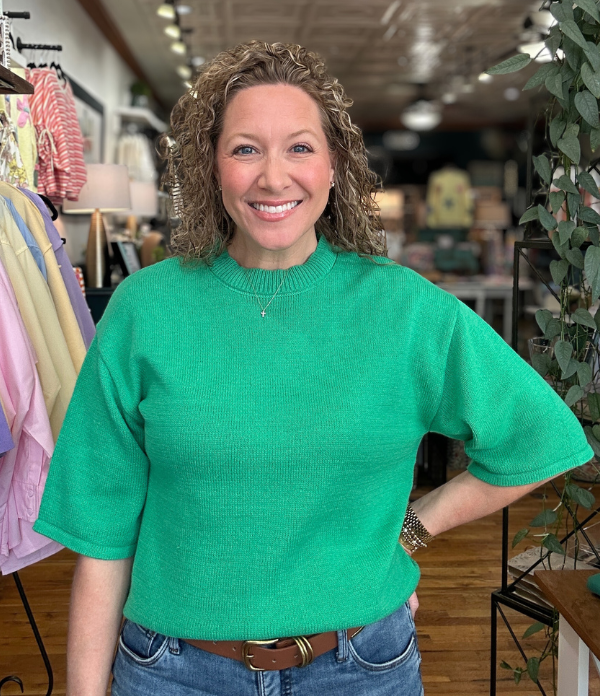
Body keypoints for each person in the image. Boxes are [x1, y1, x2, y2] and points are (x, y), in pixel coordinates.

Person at [34, 40, 594, 696]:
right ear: (211, 167)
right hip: (173, 673)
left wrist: (415, 525)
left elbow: (540, 439)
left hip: (362, 669)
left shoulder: (405, 310)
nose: (274, 177)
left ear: (335, 167)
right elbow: (102, 538)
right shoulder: (144, 311)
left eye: (300, 147)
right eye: (246, 148)